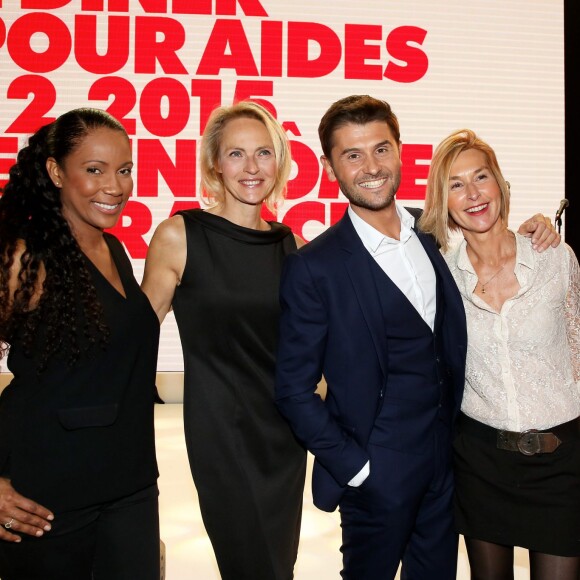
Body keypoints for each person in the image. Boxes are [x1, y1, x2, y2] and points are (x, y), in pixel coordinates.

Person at [274, 95, 560, 579]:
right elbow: (292, 389)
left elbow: (491, 232)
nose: (371, 167)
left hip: (448, 471)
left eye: (381, 149)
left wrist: (538, 229)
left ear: (401, 150)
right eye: (352, 155)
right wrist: (357, 468)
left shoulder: (435, 235)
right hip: (375, 477)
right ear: (329, 166)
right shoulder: (315, 266)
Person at [141, 101, 306, 580]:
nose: (251, 168)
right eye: (236, 154)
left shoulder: (289, 244)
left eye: (263, 154)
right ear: (214, 162)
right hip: (223, 434)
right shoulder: (180, 235)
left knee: (278, 565)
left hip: (284, 438)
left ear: (279, 161)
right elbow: (136, 337)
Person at [0, 108, 161, 580]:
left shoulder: (112, 249)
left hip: (130, 483)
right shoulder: (24, 259)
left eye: (124, 169)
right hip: (47, 496)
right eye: (95, 170)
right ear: (55, 172)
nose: (115, 186)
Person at [419, 129, 580, 580]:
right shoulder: (441, 278)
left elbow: (577, 353)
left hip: (561, 463)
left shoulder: (554, 258)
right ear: (444, 202)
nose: (472, 194)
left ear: (500, 185)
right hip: (481, 464)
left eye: (481, 177)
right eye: (455, 184)